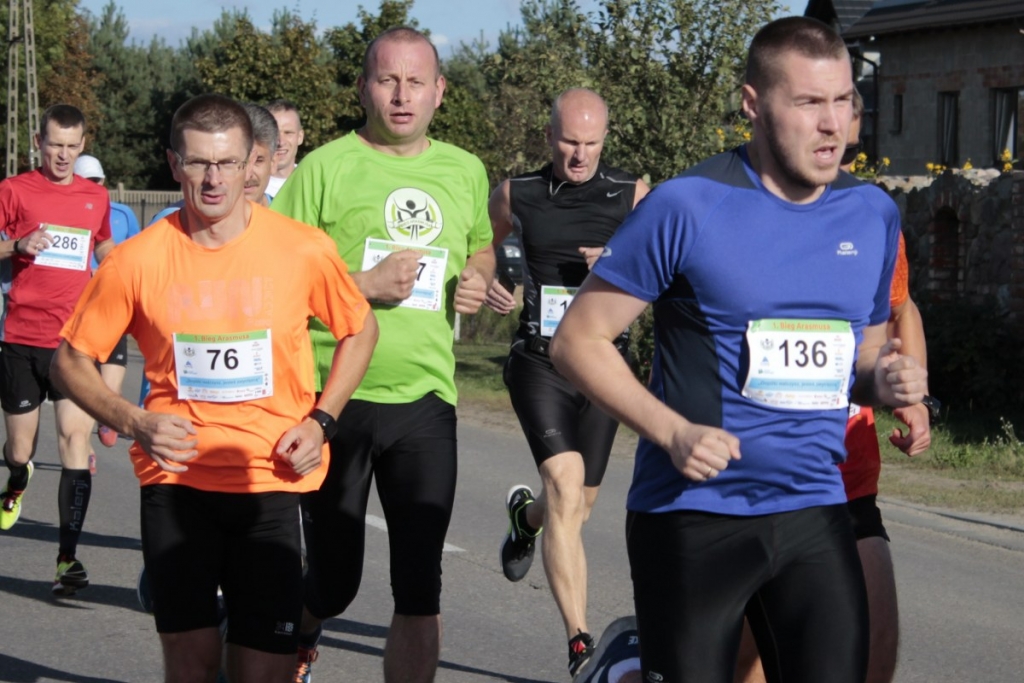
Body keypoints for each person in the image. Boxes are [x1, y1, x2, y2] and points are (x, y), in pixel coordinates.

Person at [549, 17, 929, 683]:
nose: (833, 124)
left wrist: (887, 378)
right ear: (753, 104)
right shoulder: (689, 206)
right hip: (693, 516)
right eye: (808, 102)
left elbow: (861, 359)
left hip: (814, 507)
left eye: (844, 100)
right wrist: (671, 431)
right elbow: (577, 340)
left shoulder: (872, 215)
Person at [51, 93, 378, 682]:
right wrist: (135, 421)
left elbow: (360, 328)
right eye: (199, 162)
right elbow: (70, 360)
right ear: (174, 164)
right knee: (192, 666)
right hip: (177, 487)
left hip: (269, 483)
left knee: (265, 672)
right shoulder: (135, 261)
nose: (213, 178)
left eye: (227, 162)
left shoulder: (301, 249)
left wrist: (322, 420)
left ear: (252, 163)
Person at [272, 26, 494, 683]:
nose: (401, 95)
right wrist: (363, 285)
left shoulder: (465, 170)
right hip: (335, 399)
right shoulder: (323, 168)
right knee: (335, 580)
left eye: (415, 82)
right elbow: (274, 281)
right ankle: (302, 628)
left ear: (439, 91)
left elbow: (481, 244)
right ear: (363, 87)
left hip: (426, 401)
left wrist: (478, 275)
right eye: (387, 80)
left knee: (420, 584)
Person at [733, 89, 935, 683]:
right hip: (752, 476)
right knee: (749, 662)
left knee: (873, 646)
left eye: (849, 149)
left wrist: (912, 396)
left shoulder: (871, 216)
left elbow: (901, 309)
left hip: (844, 471)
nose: (836, 156)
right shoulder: (734, 206)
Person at [485, 87, 649, 677]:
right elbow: (488, 247)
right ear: (549, 136)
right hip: (539, 361)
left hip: (602, 367)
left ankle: (524, 520)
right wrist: (493, 279)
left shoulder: (634, 195)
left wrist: (621, 262)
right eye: (569, 142)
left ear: (605, 139)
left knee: (577, 505)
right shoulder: (516, 192)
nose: (580, 155)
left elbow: (667, 271)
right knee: (565, 481)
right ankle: (580, 642)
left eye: (591, 143)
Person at [0, 104, 114, 598]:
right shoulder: (14, 190)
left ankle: (67, 558)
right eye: (55, 145)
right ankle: (16, 480)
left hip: (73, 343)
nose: (63, 155)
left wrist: (125, 268)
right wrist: (18, 244)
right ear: (39, 142)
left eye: (72, 146)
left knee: (74, 441)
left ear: (82, 144)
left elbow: (104, 249)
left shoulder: (95, 196)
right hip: (21, 338)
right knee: (20, 448)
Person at [74, 154, 142, 448]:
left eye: (96, 180)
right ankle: (84, 448)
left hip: (111, 306)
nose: (92, 185)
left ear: (104, 181)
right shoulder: (63, 211)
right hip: (75, 308)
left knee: (110, 386)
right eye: (86, 181)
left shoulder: (122, 214)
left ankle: (106, 420)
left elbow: (136, 252)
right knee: (81, 383)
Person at [264, 99, 304, 200]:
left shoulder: (311, 182)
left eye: (288, 133)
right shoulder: (250, 186)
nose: (281, 142)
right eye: (274, 133)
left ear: (300, 137)